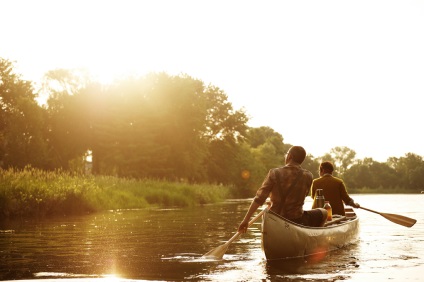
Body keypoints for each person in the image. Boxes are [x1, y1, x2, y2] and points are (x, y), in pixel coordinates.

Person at [238, 146, 327, 233]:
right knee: (324, 212)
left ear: (290, 156)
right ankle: (314, 235)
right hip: (296, 220)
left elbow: (259, 198)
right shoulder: (308, 176)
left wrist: (246, 220)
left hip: (275, 219)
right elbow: (302, 197)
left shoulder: (274, 173)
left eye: (287, 154)